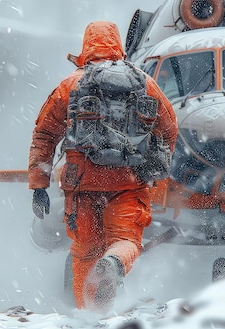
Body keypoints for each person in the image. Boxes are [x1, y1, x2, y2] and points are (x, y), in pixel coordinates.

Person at [27, 21, 177, 311]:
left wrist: (38, 185)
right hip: (129, 182)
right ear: (118, 46)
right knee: (125, 241)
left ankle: (89, 315)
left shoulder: (70, 85)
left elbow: (44, 135)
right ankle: (115, 263)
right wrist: (156, 165)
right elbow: (169, 128)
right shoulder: (143, 83)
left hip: (81, 185)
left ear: (86, 47)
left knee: (85, 253)